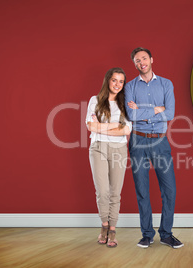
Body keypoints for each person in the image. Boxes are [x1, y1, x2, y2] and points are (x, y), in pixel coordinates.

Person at [125, 47, 184, 249]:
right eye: (136, 60)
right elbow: (131, 116)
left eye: (143, 58)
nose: (141, 62)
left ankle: (166, 234)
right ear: (134, 64)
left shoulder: (166, 84)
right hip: (138, 140)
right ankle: (147, 234)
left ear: (151, 59)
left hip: (160, 140)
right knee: (142, 190)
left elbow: (170, 113)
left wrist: (142, 109)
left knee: (169, 190)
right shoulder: (130, 86)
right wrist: (156, 109)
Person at [86, 67, 132, 248]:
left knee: (115, 192)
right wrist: (115, 125)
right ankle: (104, 225)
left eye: (121, 81)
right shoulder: (95, 100)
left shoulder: (125, 103)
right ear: (108, 80)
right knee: (102, 191)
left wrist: (103, 126)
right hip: (97, 148)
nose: (117, 84)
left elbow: (127, 130)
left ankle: (112, 230)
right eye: (114, 80)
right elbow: (91, 126)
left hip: (119, 149)